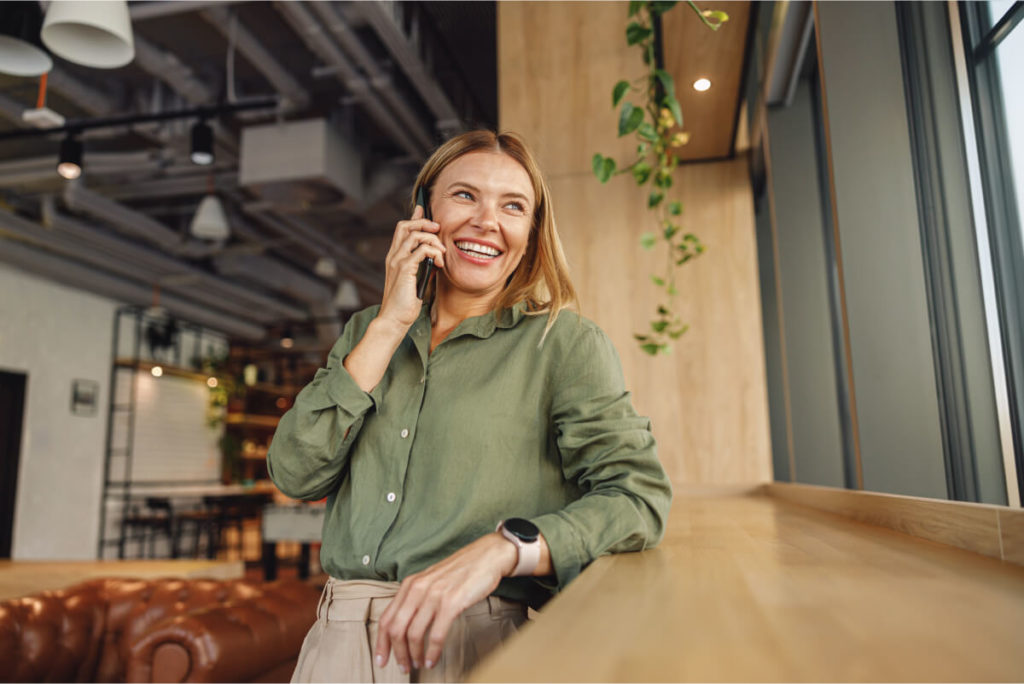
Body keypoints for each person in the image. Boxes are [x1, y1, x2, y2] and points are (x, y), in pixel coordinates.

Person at [267, 130, 672, 683]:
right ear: (423, 211)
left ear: (529, 234)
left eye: (513, 206)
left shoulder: (564, 344)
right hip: (335, 646)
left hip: (469, 649)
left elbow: (637, 499)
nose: (487, 221)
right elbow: (295, 471)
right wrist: (389, 325)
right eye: (465, 196)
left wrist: (505, 549)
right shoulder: (367, 331)